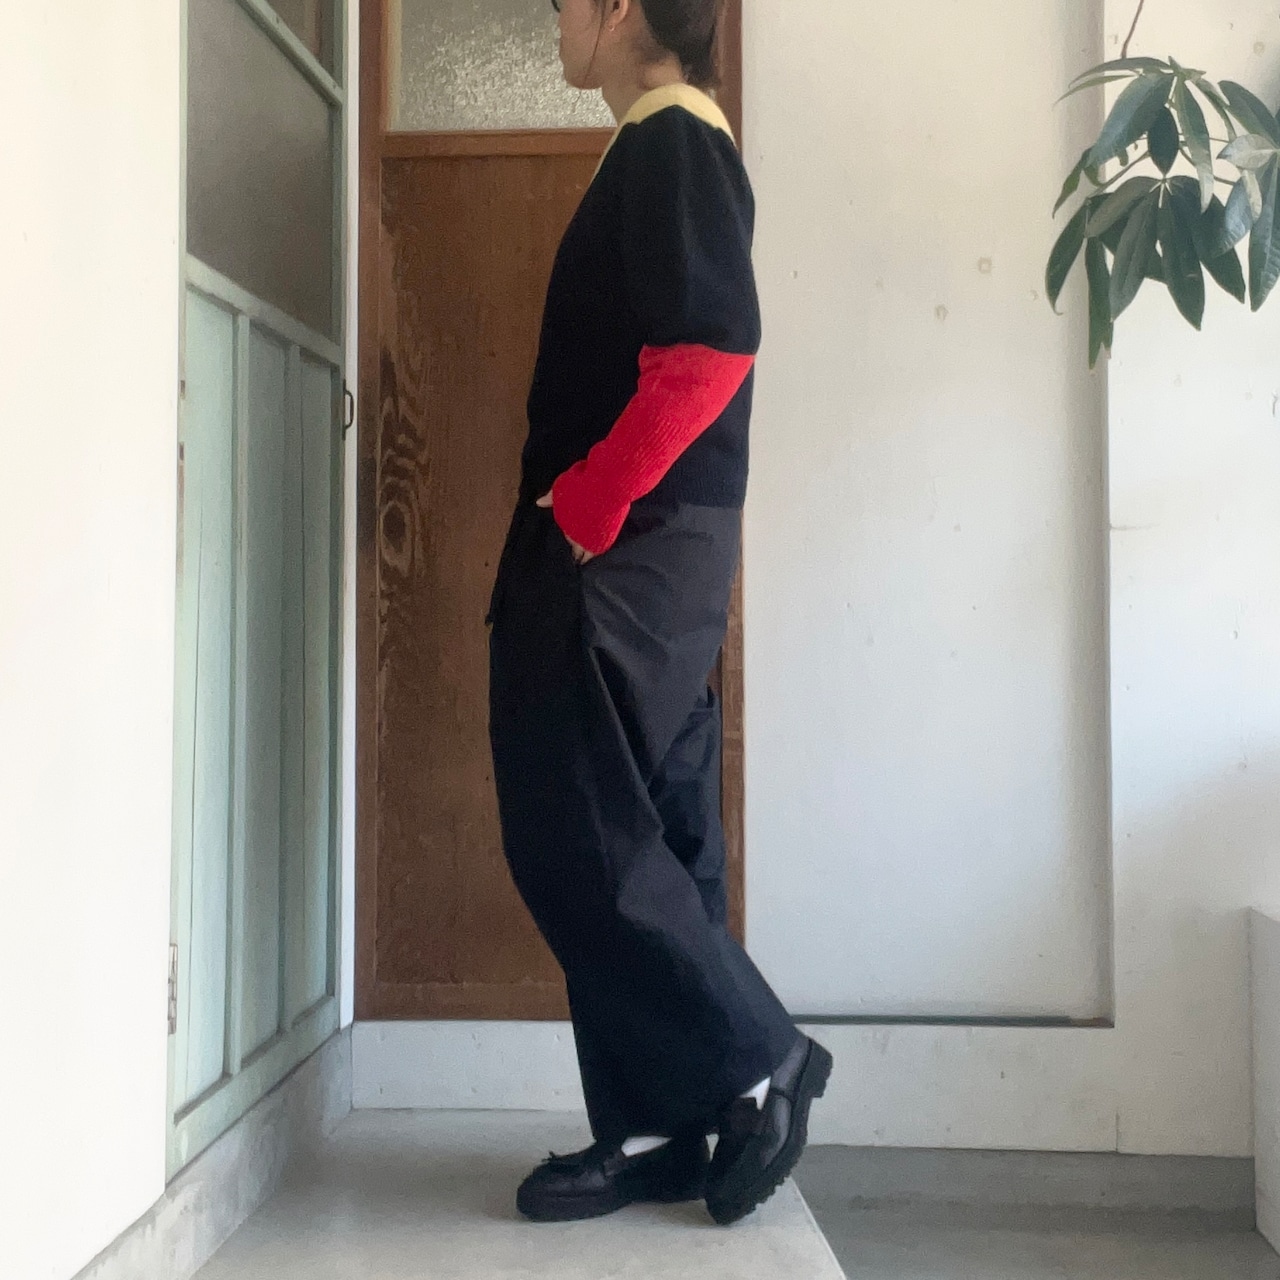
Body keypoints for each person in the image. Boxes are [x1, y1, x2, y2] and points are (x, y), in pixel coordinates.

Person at [484, 0, 833, 1227]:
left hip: (625, 549)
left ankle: (762, 1061)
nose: (555, 17)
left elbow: (708, 349)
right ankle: (676, 1122)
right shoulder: (668, 139)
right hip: (659, 549)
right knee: (650, 823)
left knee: (575, 824)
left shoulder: (671, 138)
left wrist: (586, 505)